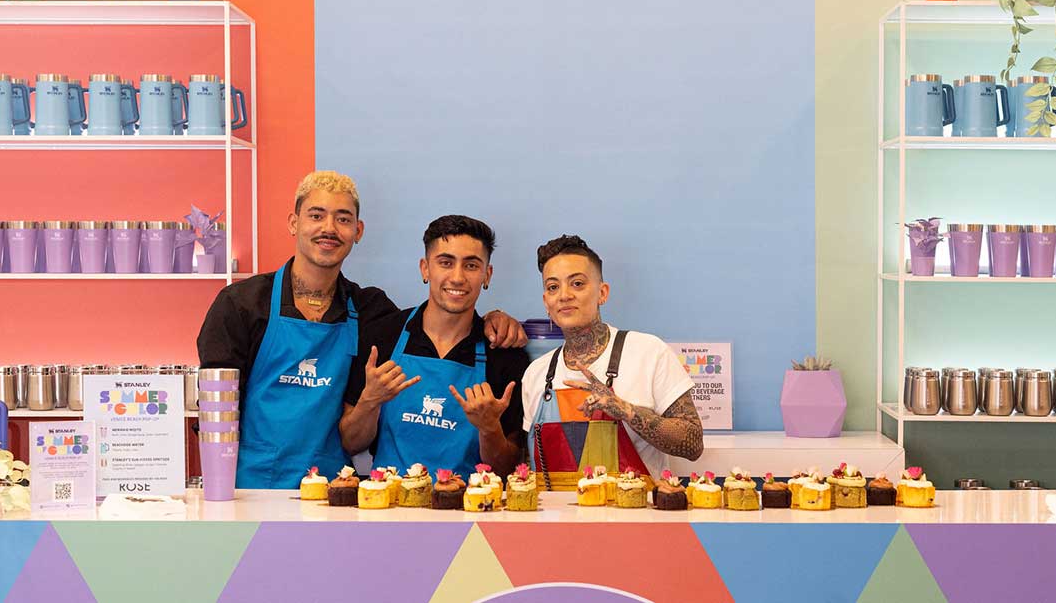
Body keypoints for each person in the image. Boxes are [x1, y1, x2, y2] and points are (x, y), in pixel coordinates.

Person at [196, 172, 525, 488]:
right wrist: (220, 489)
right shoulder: (241, 305)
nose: (329, 228)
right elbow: (217, 410)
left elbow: (442, 318)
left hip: (333, 487)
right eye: (316, 215)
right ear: (293, 223)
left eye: (342, 218)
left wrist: (492, 319)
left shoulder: (370, 311)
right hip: (250, 486)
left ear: (358, 230)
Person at [340, 215, 528, 477]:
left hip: (471, 510)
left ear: (487, 274)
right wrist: (369, 402)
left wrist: (489, 429)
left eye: (471, 265)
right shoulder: (382, 336)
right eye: (446, 263)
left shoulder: (505, 356)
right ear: (425, 269)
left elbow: (508, 470)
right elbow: (350, 443)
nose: (458, 277)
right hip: (386, 507)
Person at [522, 234, 703, 484]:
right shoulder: (536, 374)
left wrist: (626, 411)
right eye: (553, 287)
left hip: (635, 517)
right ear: (546, 302)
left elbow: (692, 444)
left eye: (577, 283)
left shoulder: (648, 352)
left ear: (602, 293)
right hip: (557, 520)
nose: (564, 295)